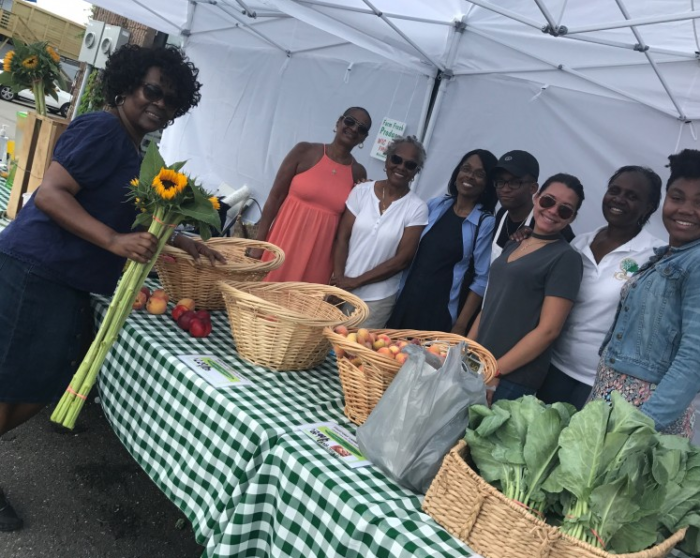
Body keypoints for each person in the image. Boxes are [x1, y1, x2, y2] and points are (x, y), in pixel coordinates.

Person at [0, 44, 221, 531]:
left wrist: (179, 236)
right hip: (35, 270)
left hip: (63, 281)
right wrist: (114, 240)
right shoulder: (103, 129)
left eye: (172, 100)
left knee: (41, 383)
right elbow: (51, 195)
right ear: (126, 86)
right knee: (14, 383)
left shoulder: (132, 147)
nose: (159, 104)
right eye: (152, 90)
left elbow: (116, 207)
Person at [590, 149, 700, 437]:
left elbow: (694, 360)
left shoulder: (696, 263)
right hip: (614, 402)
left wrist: (638, 427)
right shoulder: (667, 256)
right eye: (677, 197)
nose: (686, 209)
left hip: (644, 415)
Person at [537, 166, 663, 409]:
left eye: (632, 196)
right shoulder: (579, 243)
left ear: (649, 207)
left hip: (605, 382)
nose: (619, 199)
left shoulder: (655, 255)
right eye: (614, 190)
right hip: (554, 365)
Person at [469, 173, 584, 403]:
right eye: (548, 201)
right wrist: (467, 352)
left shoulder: (566, 258)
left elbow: (548, 330)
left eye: (564, 210)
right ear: (536, 197)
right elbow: (490, 304)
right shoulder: (516, 242)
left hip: (510, 376)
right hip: (481, 365)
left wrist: (496, 371)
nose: (552, 211)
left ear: (572, 218)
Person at [252, 108, 371, 284]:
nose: (354, 129)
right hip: (283, 242)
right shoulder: (305, 151)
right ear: (339, 122)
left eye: (361, 129)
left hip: (320, 256)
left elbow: (349, 224)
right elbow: (275, 196)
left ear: (363, 138)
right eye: (350, 121)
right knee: (263, 299)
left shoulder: (357, 172)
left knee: (300, 306)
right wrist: (259, 243)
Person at [387, 149, 497, 334]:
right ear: (457, 173)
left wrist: (461, 325)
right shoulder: (435, 205)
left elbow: (482, 279)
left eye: (479, 174)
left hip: (439, 313)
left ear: (487, 184)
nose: (470, 176)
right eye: (466, 169)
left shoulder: (484, 222)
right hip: (406, 300)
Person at [333, 136, 429, 328]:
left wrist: (355, 282)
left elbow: (402, 259)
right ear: (387, 160)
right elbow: (342, 238)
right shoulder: (361, 191)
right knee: (322, 347)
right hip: (341, 287)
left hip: (377, 299)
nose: (401, 167)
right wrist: (339, 281)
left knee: (355, 354)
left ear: (416, 172)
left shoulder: (417, 208)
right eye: (396, 159)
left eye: (410, 165)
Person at [491, 150, 574, 261]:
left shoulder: (552, 225)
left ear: (533, 188)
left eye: (515, 182)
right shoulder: (502, 214)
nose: (505, 189)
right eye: (500, 181)